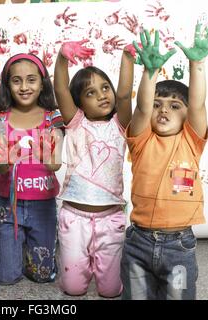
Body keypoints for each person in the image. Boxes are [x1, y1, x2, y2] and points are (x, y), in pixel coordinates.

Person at [120, 24, 208, 300]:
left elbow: (197, 105)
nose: (163, 110)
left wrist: (196, 64)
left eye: (175, 106)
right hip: (138, 242)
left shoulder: (191, 140)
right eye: (158, 104)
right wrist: (149, 73)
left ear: (187, 117)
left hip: (179, 245)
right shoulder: (140, 140)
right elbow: (141, 107)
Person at [54, 39, 135, 297]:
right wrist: (62, 58)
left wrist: (127, 57)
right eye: (91, 92)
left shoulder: (121, 124)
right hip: (74, 218)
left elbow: (123, 94)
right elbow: (60, 91)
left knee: (111, 292)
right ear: (79, 103)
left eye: (105, 88)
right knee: (74, 289)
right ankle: (81, 267)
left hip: (110, 219)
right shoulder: (76, 123)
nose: (102, 95)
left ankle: (105, 270)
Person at [0, 53, 64, 285]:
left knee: (43, 277)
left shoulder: (52, 117)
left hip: (42, 204)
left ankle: (39, 251)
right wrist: (4, 161)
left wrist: (46, 157)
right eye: (16, 81)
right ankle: (14, 251)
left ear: (42, 83)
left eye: (31, 80)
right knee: (6, 277)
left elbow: (56, 163)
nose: (24, 87)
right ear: (8, 84)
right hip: (7, 203)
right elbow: (0, 169)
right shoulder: (1, 118)